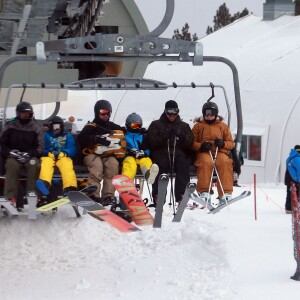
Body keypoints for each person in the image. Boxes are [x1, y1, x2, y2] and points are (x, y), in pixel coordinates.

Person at [77, 99, 125, 203]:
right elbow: (81, 139)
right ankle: (93, 194)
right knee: (97, 167)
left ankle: (108, 195)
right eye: (103, 112)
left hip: (107, 154)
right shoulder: (91, 126)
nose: (106, 115)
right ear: (97, 112)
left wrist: (137, 130)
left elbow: (123, 131)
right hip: (91, 154)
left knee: (113, 164)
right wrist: (96, 139)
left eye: (108, 113)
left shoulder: (111, 126)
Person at [147, 100, 194, 204]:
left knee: (182, 163)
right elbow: (151, 142)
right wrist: (164, 136)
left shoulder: (184, 126)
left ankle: (181, 194)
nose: (172, 115)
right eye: (169, 112)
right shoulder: (156, 124)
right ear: (165, 111)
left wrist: (182, 137)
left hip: (178, 153)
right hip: (162, 152)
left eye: (175, 112)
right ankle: (159, 194)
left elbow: (190, 144)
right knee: (160, 164)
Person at [0, 101, 43, 207]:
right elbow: (2, 144)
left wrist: (29, 154)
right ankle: (10, 197)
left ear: (31, 114)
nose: (25, 115)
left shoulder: (35, 128)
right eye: (23, 113)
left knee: (34, 164)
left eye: (27, 113)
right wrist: (10, 152)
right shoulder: (10, 127)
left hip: (30, 157)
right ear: (18, 113)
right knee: (11, 165)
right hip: (13, 157)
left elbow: (40, 147)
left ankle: (32, 195)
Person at [192, 101, 234, 204]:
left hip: (219, 151)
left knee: (225, 162)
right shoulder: (198, 126)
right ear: (203, 114)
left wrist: (223, 144)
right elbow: (191, 142)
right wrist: (201, 146)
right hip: (204, 152)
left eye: (212, 113)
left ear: (216, 113)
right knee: (205, 162)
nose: (209, 116)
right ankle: (204, 192)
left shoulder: (222, 126)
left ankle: (225, 193)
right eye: (207, 113)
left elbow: (231, 143)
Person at [35, 116, 77, 197]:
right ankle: (45, 183)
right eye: (55, 126)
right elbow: (41, 149)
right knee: (45, 162)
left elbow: (72, 148)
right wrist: (47, 153)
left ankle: (69, 187)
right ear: (51, 127)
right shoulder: (46, 136)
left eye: (59, 126)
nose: (57, 129)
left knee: (67, 164)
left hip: (62, 157)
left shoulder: (67, 136)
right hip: (50, 156)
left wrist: (65, 153)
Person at [122, 112, 159, 184]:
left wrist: (145, 153)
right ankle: (126, 181)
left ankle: (149, 175)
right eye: (135, 125)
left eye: (139, 125)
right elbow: (121, 148)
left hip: (140, 156)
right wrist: (129, 151)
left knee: (146, 160)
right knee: (130, 163)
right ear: (128, 125)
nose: (137, 128)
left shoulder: (143, 135)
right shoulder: (124, 136)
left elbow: (148, 148)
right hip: (129, 156)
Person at [285, 145, 300, 214]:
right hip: (295, 179)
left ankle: (289, 208)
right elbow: (299, 171)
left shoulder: (290, 157)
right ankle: (293, 208)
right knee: (295, 193)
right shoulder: (297, 159)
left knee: (290, 193)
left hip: (289, 178)